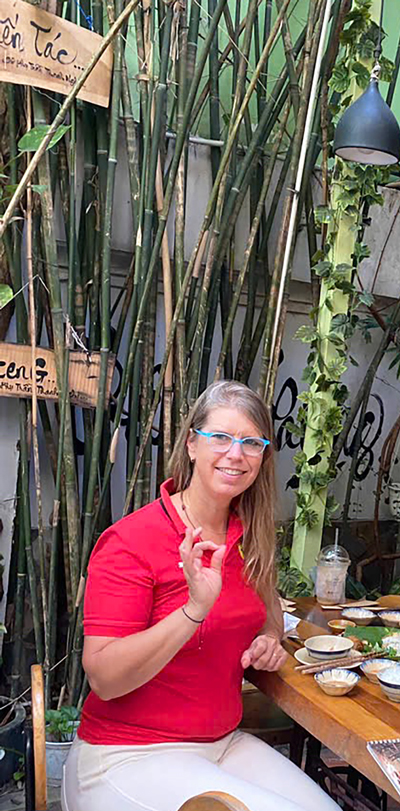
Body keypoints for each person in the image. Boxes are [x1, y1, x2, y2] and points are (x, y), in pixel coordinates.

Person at [62, 381, 339, 811]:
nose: (236, 453)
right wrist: (194, 610)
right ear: (192, 444)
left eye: (251, 442)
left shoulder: (249, 534)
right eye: (221, 437)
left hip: (222, 744)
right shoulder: (131, 540)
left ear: (263, 456)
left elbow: (269, 611)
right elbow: (105, 679)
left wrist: (269, 639)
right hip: (128, 753)